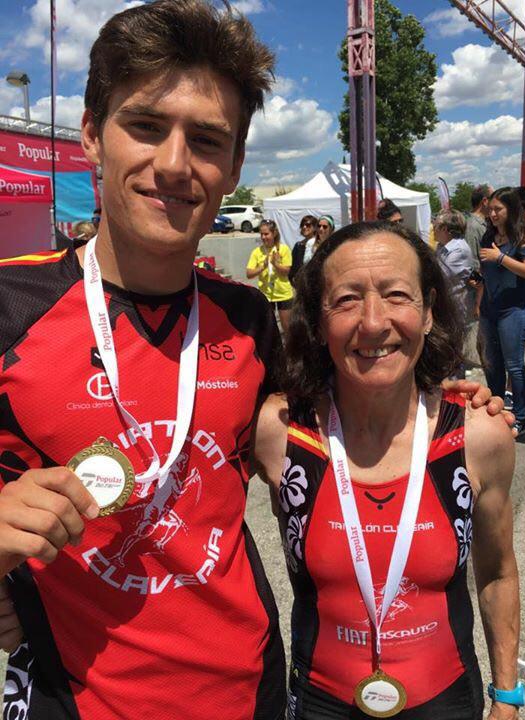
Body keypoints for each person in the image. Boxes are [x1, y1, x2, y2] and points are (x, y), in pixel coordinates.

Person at [0, 2, 286, 718]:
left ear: (235, 166)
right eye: (147, 126)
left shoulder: (252, 320)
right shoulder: (9, 306)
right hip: (74, 697)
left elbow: (343, 449)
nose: (174, 164)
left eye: (207, 139)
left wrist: (443, 402)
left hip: (247, 690)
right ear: (92, 136)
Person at [254, 221, 522, 720]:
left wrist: (507, 698)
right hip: (317, 704)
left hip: (447, 702)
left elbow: (499, 572)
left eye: (397, 295)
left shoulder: (479, 436)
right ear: (318, 321)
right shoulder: (278, 430)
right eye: (347, 300)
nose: (374, 322)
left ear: (429, 311)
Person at [478, 187, 525, 437]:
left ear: (511, 209)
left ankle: (520, 417)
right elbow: (487, 273)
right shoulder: (488, 237)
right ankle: (498, 410)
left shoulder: (523, 237)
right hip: (489, 310)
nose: (492, 214)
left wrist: (500, 257)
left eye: (498, 209)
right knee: (492, 365)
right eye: (490, 209)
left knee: (514, 366)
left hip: (513, 311)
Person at [434, 209, 476, 375]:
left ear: (445, 229)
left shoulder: (458, 250)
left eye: (436, 225)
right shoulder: (442, 247)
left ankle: (456, 383)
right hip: (446, 305)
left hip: (456, 308)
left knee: (453, 352)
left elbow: (439, 276)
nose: (433, 228)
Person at [246, 219, 294, 332]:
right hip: (266, 295)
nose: (263, 237)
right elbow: (249, 274)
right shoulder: (257, 252)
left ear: (274, 233)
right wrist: (262, 267)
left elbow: (286, 271)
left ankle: (290, 344)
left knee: (287, 327)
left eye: (266, 234)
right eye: (261, 234)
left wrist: (276, 264)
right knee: (268, 328)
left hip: (283, 294)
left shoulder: (283, 249)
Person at [465, 184, 493, 269]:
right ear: (485, 201)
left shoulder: (487, 222)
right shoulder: (472, 226)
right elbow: (473, 261)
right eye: (494, 198)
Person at [290, 215, 318, 286]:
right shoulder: (298, 245)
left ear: (315, 227)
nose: (304, 227)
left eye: (308, 225)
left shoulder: (318, 245)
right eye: (302, 225)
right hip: (299, 285)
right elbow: (293, 266)